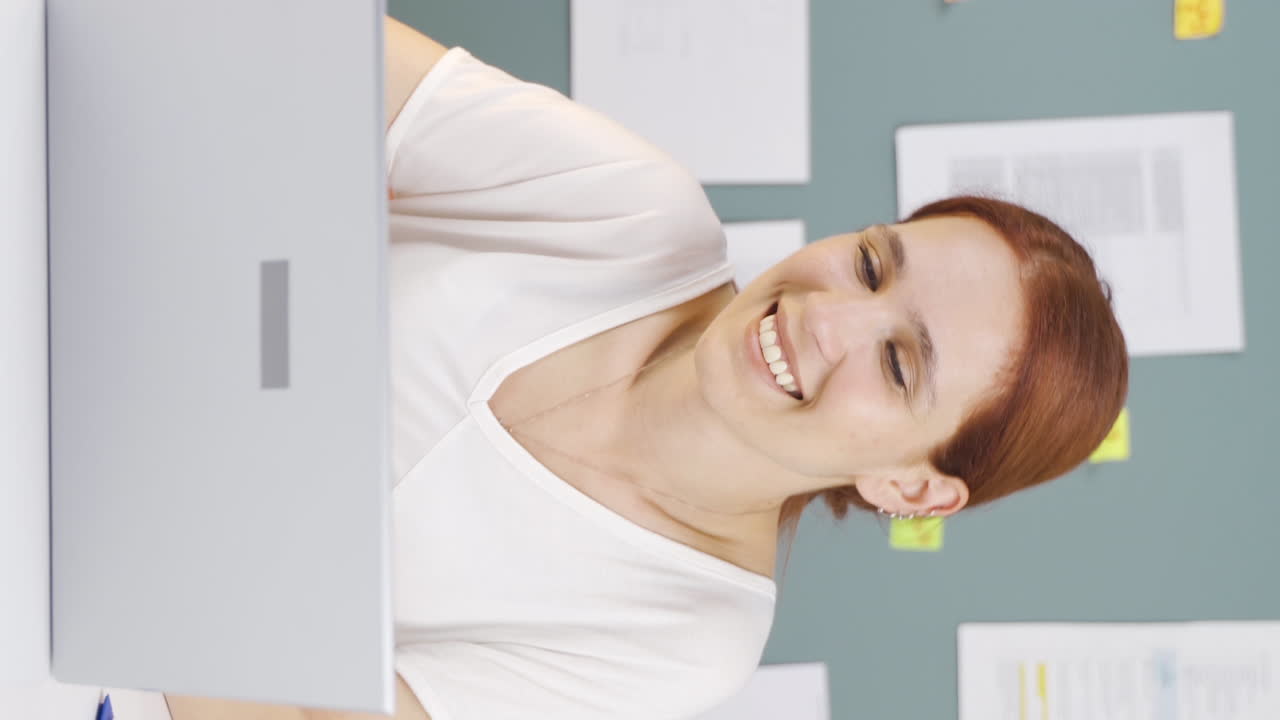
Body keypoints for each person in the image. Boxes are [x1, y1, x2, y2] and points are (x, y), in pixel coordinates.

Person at [164, 15, 1128, 720]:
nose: (825, 314)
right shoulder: (635, 213)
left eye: (899, 363)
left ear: (910, 482)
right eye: (873, 262)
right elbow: (287, 43)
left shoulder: (681, 642)